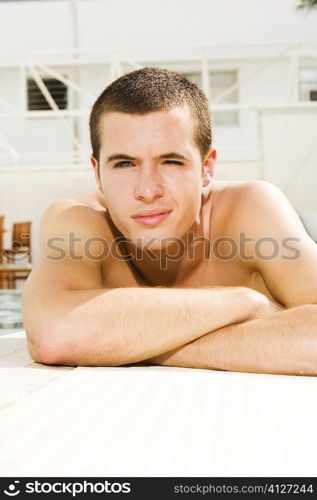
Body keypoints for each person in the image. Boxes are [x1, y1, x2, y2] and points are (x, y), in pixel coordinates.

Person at [22, 67, 317, 376]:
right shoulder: (78, 220)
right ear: (97, 173)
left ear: (206, 167)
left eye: (171, 162)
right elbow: (53, 337)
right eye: (124, 164)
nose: (148, 191)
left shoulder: (250, 210)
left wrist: (132, 343)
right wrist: (244, 302)